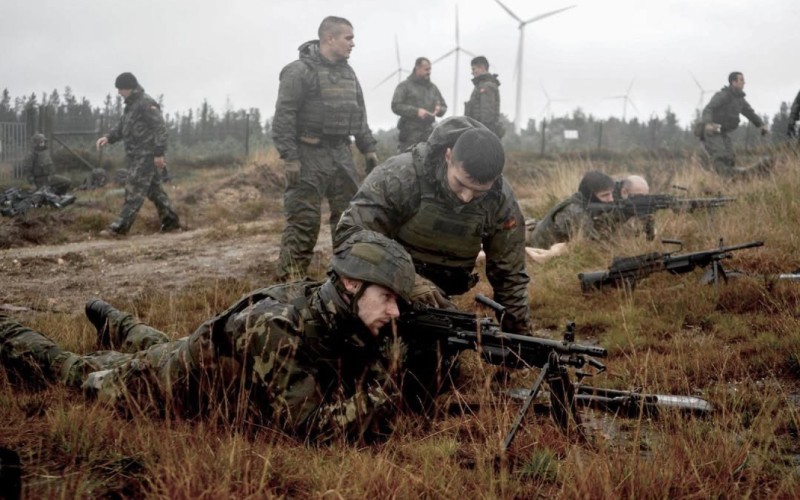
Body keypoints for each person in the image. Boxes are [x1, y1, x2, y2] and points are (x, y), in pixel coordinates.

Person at [0, 231, 416, 444]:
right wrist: (385, 384)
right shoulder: (278, 327)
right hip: (165, 389)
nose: (394, 312)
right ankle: (8, 330)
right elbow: (307, 428)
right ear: (350, 284)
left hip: (199, 354)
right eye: (387, 298)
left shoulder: (331, 310)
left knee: (165, 345)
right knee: (76, 372)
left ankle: (116, 322)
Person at [335, 116, 530, 335]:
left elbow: (510, 275)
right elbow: (350, 236)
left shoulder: (500, 199)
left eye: (479, 192)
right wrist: (407, 280)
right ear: (448, 157)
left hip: (436, 304)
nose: (466, 197)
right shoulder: (401, 176)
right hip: (380, 286)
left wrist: (518, 339)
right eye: (460, 184)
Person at [272, 16, 379, 281]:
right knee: (303, 222)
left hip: (341, 154)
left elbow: (359, 114)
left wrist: (368, 149)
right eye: (348, 38)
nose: (353, 44)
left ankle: (346, 281)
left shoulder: (348, 73)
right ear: (330, 38)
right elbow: (284, 116)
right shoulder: (299, 72)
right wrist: (290, 157)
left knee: (349, 220)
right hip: (308, 155)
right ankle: (289, 286)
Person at [95, 72, 180, 235]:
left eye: (120, 89)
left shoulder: (145, 103)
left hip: (146, 155)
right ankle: (171, 223)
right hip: (137, 155)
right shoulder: (131, 105)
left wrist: (159, 153)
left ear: (128, 87)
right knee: (155, 191)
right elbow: (122, 126)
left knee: (133, 188)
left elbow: (161, 129)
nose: (119, 92)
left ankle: (120, 228)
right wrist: (108, 137)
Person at [699, 72, 769, 176]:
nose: (744, 82)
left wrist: (761, 125)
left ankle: (732, 178)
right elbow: (708, 109)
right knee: (720, 156)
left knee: (730, 157)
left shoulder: (740, 100)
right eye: (741, 80)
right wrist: (708, 124)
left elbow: (750, 113)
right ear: (734, 82)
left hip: (723, 132)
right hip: (712, 131)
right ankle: (724, 176)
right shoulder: (723, 95)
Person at [528, 171, 615, 249]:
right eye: (605, 195)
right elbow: (595, 245)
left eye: (611, 194)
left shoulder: (581, 200)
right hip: (537, 246)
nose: (611, 199)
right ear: (590, 195)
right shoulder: (575, 211)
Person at [391, 57, 447, 152]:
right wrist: (416, 111)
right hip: (409, 135)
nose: (429, 72)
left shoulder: (433, 88)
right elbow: (395, 105)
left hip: (429, 135)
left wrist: (439, 109)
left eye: (430, 69)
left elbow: (444, 106)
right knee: (408, 160)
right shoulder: (404, 86)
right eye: (426, 69)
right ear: (417, 69)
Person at [464, 56, 504, 139]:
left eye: (474, 69)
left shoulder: (486, 86)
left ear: (482, 68)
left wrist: (481, 135)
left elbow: (487, 115)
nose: (472, 72)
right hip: (479, 131)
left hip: (482, 133)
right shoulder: (481, 85)